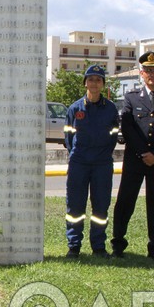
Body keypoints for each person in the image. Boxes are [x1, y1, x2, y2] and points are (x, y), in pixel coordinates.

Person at [110, 51, 154, 264]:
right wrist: (144, 153)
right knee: (125, 202)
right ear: (142, 73)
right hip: (136, 160)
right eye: (148, 71)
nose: (152, 74)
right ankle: (118, 244)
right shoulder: (131, 98)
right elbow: (128, 128)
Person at [63, 65, 119, 259]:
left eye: (98, 79)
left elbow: (113, 137)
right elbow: (68, 139)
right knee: (75, 207)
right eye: (90, 79)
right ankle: (74, 245)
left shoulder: (111, 109)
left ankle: (98, 246)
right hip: (79, 163)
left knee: (100, 207)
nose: (94, 83)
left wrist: (101, 155)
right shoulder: (74, 108)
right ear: (85, 83)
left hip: (102, 164)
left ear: (103, 84)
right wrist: (77, 155)